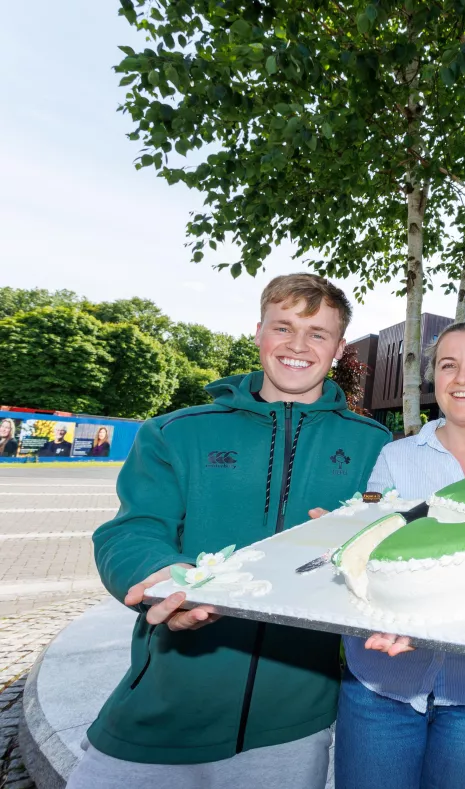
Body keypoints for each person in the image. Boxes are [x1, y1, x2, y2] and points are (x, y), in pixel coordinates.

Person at [73, 274, 390, 789]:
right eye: (283, 327)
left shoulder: (376, 445)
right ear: (259, 332)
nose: (297, 345)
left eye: (317, 334)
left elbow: (392, 545)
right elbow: (130, 530)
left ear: (337, 348)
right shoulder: (177, 431)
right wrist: (159, 576)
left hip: (294, 721)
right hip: (162, 706)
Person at [333, 322, 465, 789]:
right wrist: (343, 533)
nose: (462, 377)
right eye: (448, 365)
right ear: (434, 379)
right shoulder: (396, 456)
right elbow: (371, 552)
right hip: (379, 685)